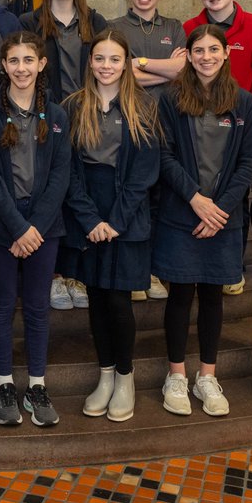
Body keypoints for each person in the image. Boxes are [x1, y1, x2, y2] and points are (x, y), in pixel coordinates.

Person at [154, 25, 252, 418]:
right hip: (183, 213)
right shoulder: (169, 100)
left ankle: (207, 377)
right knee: (180, 296)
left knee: (214, 296)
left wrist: (221, 210)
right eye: (199, 50)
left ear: (226, 52)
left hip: (224, 218)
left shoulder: (245, 103)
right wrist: (196, 200)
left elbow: (249, 161)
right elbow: (163, 156)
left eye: (214, 49)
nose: (207, 57)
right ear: (188, 55)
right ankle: (176, 376)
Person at [0, 31, 71, 427]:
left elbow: (61, 177)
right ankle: (4, 385)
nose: (21, 68)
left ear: (41, 64)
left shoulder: (59, 115)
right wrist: (17, 228)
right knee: (1, 305)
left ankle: (36, 384)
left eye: (28, 60)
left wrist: (35, 229)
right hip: (2, 225)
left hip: (44, 227)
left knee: (36, 307)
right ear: (4, 65)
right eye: (14, 61)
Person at [62, 30, 159, 422]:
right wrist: (90, 219)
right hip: (86, 213)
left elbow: (145, 172)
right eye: (99, 58)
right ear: (90, 62)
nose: (106, 66)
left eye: (114, 59)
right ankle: (104, 375)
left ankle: (125, 376)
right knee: (97, 300)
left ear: (126, 63)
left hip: (126, 216)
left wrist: (114, 222)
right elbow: (67, 170)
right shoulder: (72, 106)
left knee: (119, 301)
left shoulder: (145, 107)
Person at [20, 0, 107, 311]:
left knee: (81, 189)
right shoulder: (30, 20)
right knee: (50, 189)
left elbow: (108, 63)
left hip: (87, 114)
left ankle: (75, 274)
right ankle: (54, 275)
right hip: (46, 116)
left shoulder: (94, 20)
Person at [184, 0, 252, 297]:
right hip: (197, 127)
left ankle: (232, 267)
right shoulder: (189, 27)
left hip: (241, 128)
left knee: (238, 198)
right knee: (197, 195)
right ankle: (193, 265)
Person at [109, 0, 187, 302]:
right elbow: (117, 73)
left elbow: (183, 71)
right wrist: (161, 69)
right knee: (131, 200)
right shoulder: (114, 28)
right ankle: (132, 273)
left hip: (166, 127)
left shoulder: (174, 26)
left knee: (159, 203)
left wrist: (138, 64)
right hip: (127, 125)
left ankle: (153, 272)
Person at [109, 0, 186, 94]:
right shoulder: (113, 27)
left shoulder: (174, 27)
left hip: (169, 110)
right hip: (129, 109)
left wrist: (140, 62)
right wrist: (169, 72)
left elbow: (183, 69)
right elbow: (119, 74)